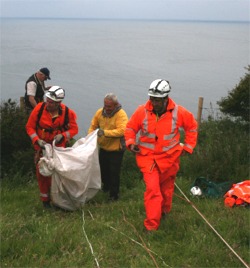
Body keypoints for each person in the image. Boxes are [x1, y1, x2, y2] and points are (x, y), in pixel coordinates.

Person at [124, 79, 198, 232]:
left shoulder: (179, 112)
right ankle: (151, 225)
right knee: (153, 190)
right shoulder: (142, 111)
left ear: (166, 99)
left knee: (166, 189)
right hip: (147, 158)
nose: (154, 103)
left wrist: (189, 147)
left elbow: (192, 127)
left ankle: (164, 212)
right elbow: (130, 128)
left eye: (157, 100)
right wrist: (131, 143)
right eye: (152, 99)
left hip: (170, 159)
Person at [26, 86, 78, 208]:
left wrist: (63, 135)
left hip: (58, 149)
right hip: (42, 148)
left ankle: (59, 199)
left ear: (58, 103)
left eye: (51, 102)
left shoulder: (67, 113)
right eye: (47, 100)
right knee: (43, 173)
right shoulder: (39, 109)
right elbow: (30, 127)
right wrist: (37, 140)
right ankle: (45, 201)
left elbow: (74, 129)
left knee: (58, 174)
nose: (48, 104)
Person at [88, 93, 128, 201]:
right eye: (105, 105)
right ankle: (106, 188)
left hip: (116, 149)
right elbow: (93, 126)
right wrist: (89, 139)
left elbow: (122, 131)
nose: (106, 108)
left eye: (109, 106)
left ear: (115, 105)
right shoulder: (100, 112)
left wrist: (104, 133)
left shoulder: (121, 114)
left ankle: (114, 195)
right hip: (104, 147)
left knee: (114, 172)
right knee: (103, 169)